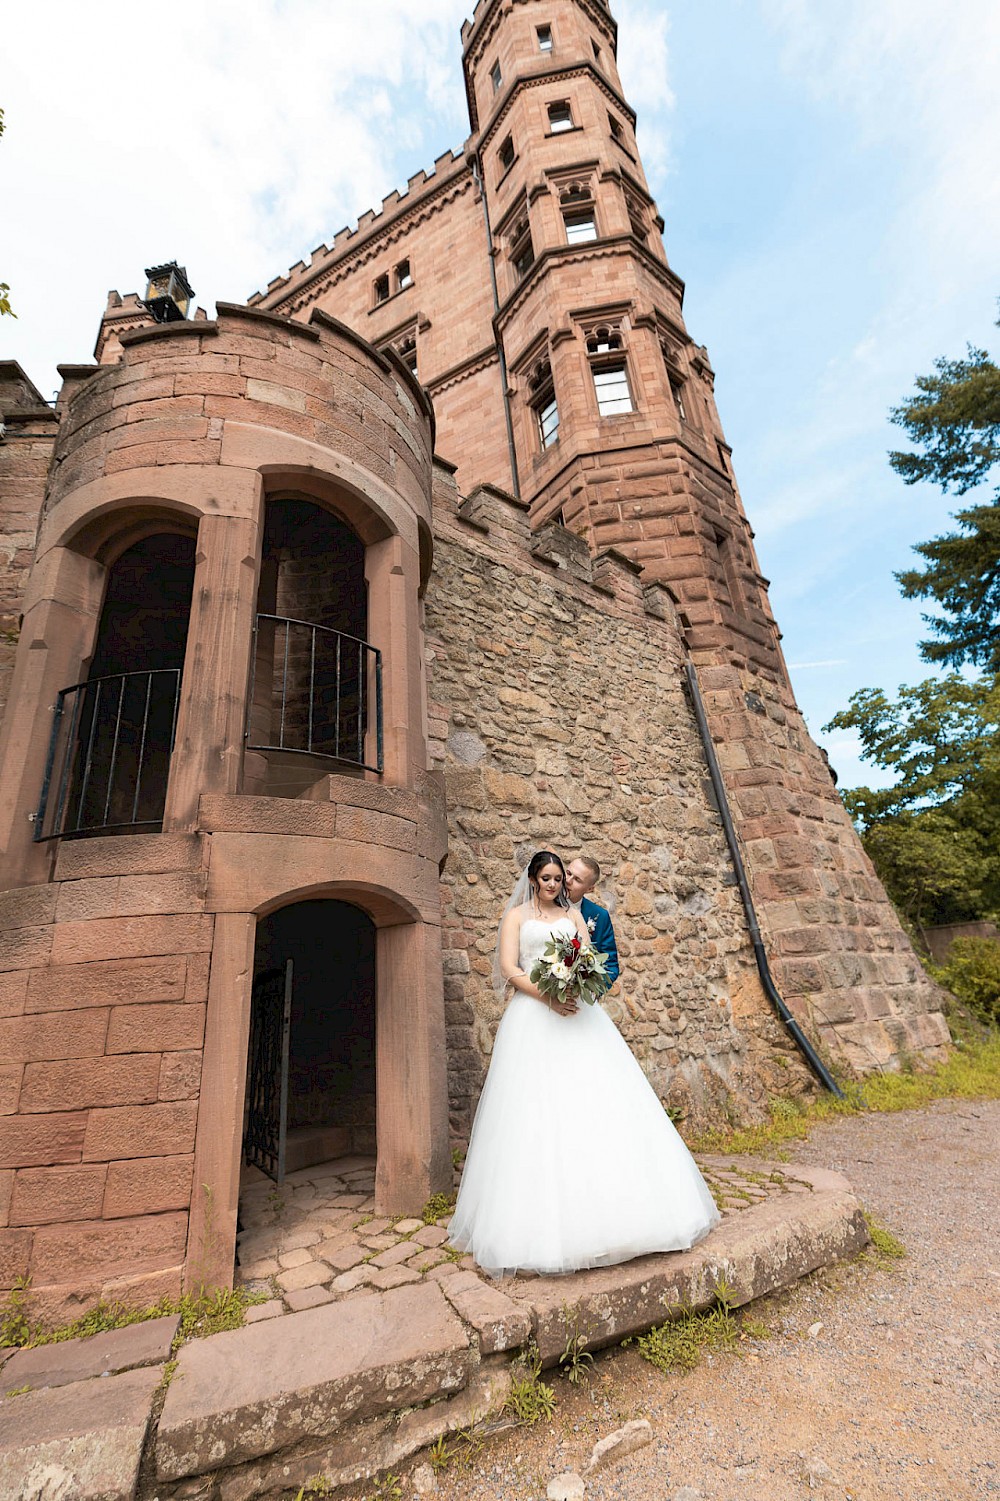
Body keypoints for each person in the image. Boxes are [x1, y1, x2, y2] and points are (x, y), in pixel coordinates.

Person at [447, 850, 720, 1277]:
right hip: (534, 1016)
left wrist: (573, 985)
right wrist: (547, 996)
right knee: (535, 1112)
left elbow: (587, 959)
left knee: (597, 1104)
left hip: (578, 1016)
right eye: (549, 878)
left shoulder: (574, 916)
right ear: (534, 879)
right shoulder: (517, 917)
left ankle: (623, 1215)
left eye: (561, 879)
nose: (556, 885)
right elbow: (508, 967)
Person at [565, 854, 619, 992]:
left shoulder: (599, 916)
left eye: (577, 879)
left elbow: (610, 965)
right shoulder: (542, 905)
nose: (568, 881)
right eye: (568, 873)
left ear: (589, 889)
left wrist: (589, 992)